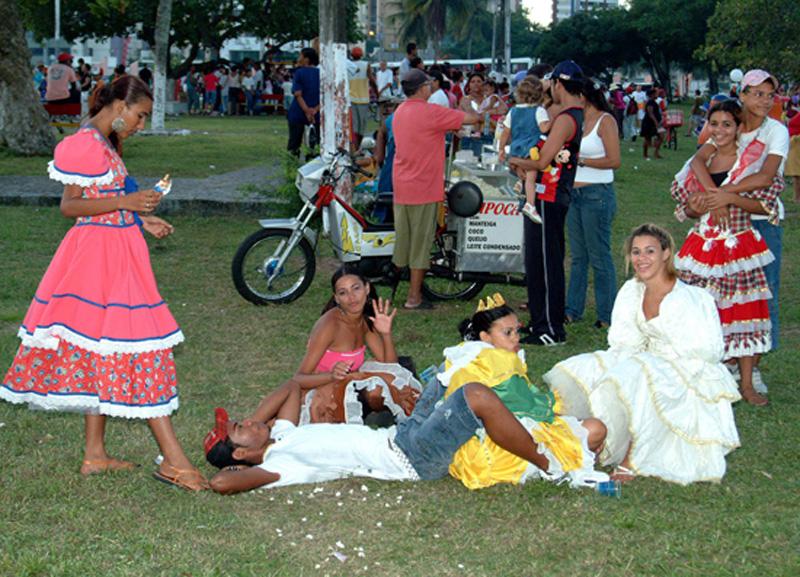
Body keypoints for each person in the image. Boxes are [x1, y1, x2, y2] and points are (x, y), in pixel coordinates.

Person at [0, 76, 208, 491]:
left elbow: (103, 201)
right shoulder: (84, 144)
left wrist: (140, 218)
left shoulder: (104, 144)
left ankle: (95, 455)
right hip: (99, 260)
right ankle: (175, 461)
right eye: (139, 116)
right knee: (141, 348)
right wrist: (126, 202)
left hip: (116, 252)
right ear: (119, 106)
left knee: (104, 348)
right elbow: (71, 205)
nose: (141, 125)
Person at [544, 224, 741, 485]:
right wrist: (633, 359)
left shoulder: (692, 298)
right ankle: (575, 442)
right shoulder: (632, 290)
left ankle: (632, 458)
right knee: (581, 367)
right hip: (641, 356)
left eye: (650, 251)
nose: (641, 258)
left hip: (685, 368)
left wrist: (650, 361)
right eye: (636, 252)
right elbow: (623, 341)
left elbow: (706, 349)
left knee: (640, 374)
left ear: (666, 253)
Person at [205, 365, 578, 494]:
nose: (250, 420)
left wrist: (255, 428)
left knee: (451, 371)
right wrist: (239, 464)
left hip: (401, 434)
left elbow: (291, 387)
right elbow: (221, 483)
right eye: (240, 427)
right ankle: (549, 465)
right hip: (411, 457)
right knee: (474, 394)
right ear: (240, 453)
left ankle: (528, 420)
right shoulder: (281, 465)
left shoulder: (283, 436)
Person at [672, 99, 783, 405]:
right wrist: (697, 205)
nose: (719, 130)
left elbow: (765, 206)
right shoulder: (702, 162)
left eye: (727, 125)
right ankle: (702, 379)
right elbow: (687, 210)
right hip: (703, 247)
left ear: (739, 128)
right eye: (714, 124)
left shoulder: (750, 162)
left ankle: (746, 384)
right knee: (702, 311)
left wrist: (728, 199)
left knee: (744, 310)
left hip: (739, 245)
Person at [440, 295, 607, 490]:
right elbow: (526, 406)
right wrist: (556, 408)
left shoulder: (471, 355)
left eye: (517, 331)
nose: (516, 337)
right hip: (497, 451)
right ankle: (556, 463)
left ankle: (563, 460)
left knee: (587, 431)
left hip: (470, 450)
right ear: (485, 337)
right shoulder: (497, 360)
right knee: (595, 429)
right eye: (507, 333)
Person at [509, 60, 585, 346]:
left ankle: (551, 329)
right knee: (537, 261)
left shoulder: (566, 119)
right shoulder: (569, 115)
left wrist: (514, 160)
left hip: (549, 196)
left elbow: (542, 161)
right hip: (546, 194)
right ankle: (540, 320)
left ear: (558, 84)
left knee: (546, 262)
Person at [391, 69, 479, 310]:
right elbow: (472, 119)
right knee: (421, 245)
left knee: (404, 240)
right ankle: (413, 298)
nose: (431, 87)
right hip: (424, 187)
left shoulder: (400, 111)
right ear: (422, 88)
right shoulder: (431, 112)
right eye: (428, 84)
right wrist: (474, 107)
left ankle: (391, 285)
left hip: (402, 185)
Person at [564, 79, 621, 329]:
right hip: (574, 195)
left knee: (599, 256)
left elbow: (614, 160)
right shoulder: (576, 121)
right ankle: (572, 309)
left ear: (583, 96)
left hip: (596, 194)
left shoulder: (605, 121)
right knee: (578, 256)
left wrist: (581, 161)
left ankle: (607, 314)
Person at [497, 76, 548, 224]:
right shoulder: (539, 111)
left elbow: (506, 132)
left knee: (523, 174)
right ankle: (530, 205)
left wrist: (501, 149)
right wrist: (552, 122)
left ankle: (520, 183)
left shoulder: (513, 111)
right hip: (531, 149)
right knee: (531, 178)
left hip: (516, 148)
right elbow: (544, 128)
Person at [286, 48, 320, 156]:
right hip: (317, 112)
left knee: (294, 142)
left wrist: (306, 111)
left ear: (306, 59)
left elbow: (298, 94)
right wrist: (314, 110)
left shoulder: (299, 73)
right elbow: (326, 95)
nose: (298, 58)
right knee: (317, 143)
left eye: (300, 56)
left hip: (298, 111)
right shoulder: (321, 73)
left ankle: (292, 162)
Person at [347, 46, 372, 148]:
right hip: (363, 100)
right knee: (362, 127)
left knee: (354, 126)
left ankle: (355, 147)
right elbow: (372, 80)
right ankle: (357, 147)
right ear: (361, 55)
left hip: (351, 99)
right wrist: (377, 93)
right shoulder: (366, 65)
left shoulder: (348, 65)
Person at [641, 88, 663, 159]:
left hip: (655, 122)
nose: (657, 95)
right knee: (647, 138)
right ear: (652, 94)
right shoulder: (650, 102)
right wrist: (656, 123)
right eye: (656, 93)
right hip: (649, 123)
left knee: (661, 136)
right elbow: (650, 114)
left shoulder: (654, 102)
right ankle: (645, 154)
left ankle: (656, 152)